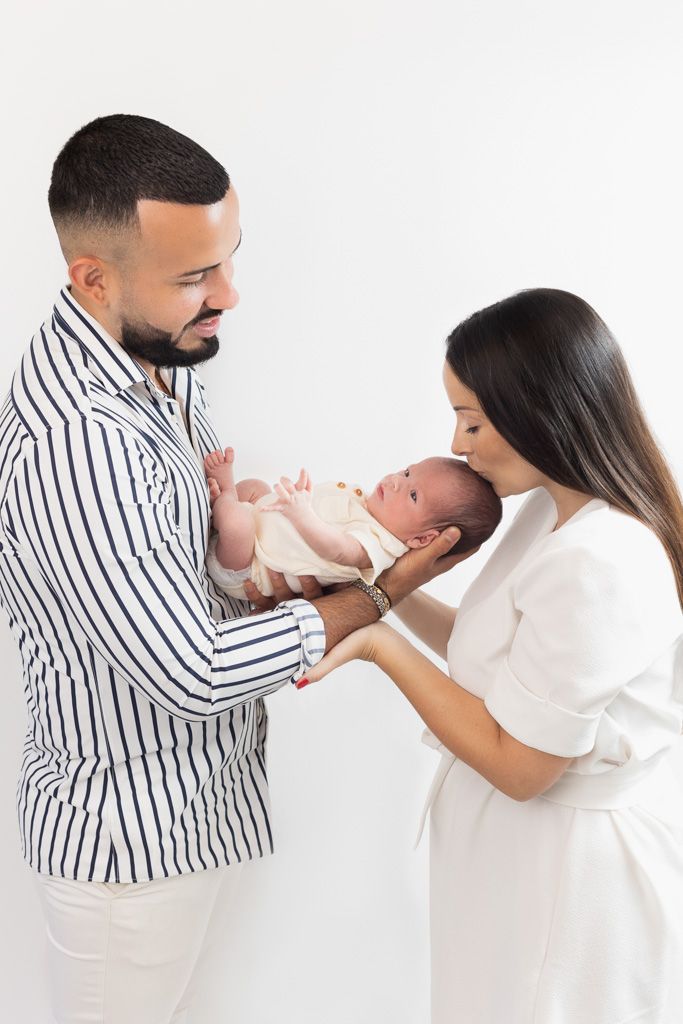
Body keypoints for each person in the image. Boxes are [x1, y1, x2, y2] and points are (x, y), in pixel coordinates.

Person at [0, 113, 464, 1024]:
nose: (229, 296)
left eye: (228, 259)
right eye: (194, 277)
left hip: (195, 817)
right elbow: (193, 670)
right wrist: (377, 594)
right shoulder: (80, 446)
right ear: (92, 279)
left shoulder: (162, 358)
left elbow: (209, 576)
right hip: (130, 855)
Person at [300, 288, 683, 1023]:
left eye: (472, 419)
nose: (456, 443)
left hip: (566, 879)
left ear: (542, 406)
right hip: (515, 865)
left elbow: (522, 766)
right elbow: (499, 667)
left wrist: (377, 642)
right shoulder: (547, 510)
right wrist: (386, 584)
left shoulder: (599, 558)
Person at [203, 447, 502, 598]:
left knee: (238, 525)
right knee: (256, 487)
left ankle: (225, 495)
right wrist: (302, 500)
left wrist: (302, 515)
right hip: (259, 526)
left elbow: (338, 549)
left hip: (247, 568)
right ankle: (229, 505)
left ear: (423, 539)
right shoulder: (370, 506)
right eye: (408, 472)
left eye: (413, 494)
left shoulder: (380, 545)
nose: (397, 482)